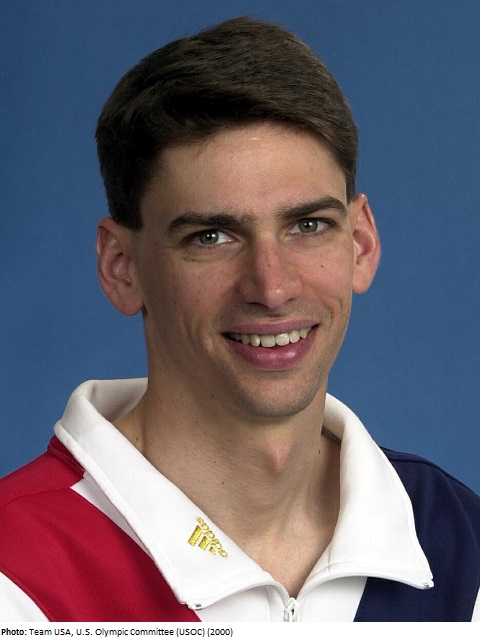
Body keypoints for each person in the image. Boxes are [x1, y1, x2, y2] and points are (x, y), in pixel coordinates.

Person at [0, 16, 479, 623]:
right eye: (212, 236)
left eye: (309, 225)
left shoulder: (463, 551)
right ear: (122, 267)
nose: (272, 288)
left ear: (360, 242)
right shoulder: (16, 580)